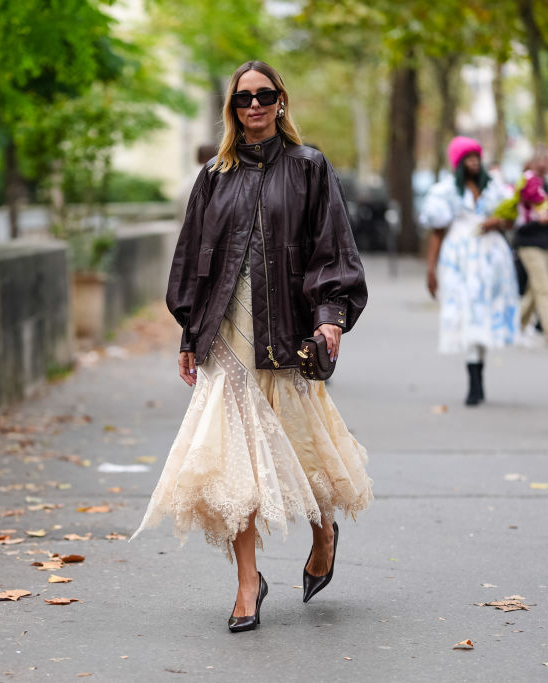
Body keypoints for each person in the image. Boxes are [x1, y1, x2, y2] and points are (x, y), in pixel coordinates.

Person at [132, 60, 372, 632]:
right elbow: (190, 259)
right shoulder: (215, 174)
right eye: (244, 99)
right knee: (235, 457)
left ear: (281, 101)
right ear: (232, 109)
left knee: (302, 448)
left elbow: (333, 248)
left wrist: (331, 318)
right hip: (226, 333)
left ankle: (323, 532)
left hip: (287, 330)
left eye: (264, 96)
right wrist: (191, 333)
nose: (255, 106)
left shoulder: (310, 168)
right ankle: (248, 583)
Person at [420, 136, 518, 406]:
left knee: (484, 316)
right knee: (468, 314)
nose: (474, 162)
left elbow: (511, 222)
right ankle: (474, 383)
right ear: (459, 163)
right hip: (460, 261)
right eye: (468, 158)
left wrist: (497, 222)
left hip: (491, 260)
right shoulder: (447, 191)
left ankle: (480, 375)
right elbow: (437, 233)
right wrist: (431, 270)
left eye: (477, 157)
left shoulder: (494, 188)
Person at [511, 153, 548, 349]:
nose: (544, 167)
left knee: (535, 290)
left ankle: (515, 326)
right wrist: (539, 219)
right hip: (529, 243)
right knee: (544, 289)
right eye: (540, 164)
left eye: (547, 163)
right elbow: (519, 217)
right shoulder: (525, 186)